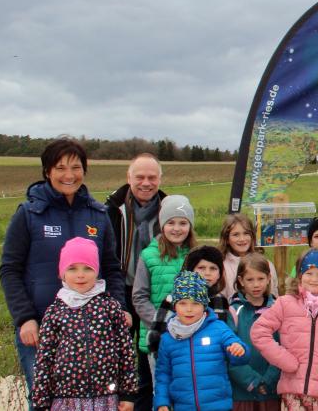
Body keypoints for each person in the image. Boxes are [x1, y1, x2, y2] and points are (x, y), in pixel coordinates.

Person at [0, 138, 127, 393]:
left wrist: (119, 308)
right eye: (60, 168)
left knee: (90, 399)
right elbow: (10, 269)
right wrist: (25, 318)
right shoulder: (28, 214)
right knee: (44, 398)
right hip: (41, 326)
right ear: (47, 171)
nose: (69, 175)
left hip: (94, 328)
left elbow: (112, 268)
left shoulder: (98, 214)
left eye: (76, 167)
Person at [31, 237, 137, 411]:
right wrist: (41, 403)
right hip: (67, 400)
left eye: (88, 268)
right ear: (62, 273)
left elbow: (125, 351)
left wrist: (128, 394)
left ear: (97, 272)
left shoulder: (110, 307)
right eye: (72, 268)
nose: (80, 275)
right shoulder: (54, 312)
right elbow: (44, 359)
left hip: (106, 398)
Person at [250, 250, 318, 411]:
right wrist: (285, 360)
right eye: (309, 273)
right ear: (300, 275)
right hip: (294, 393)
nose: (314, 279)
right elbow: (259, 332)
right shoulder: (285, 303)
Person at [105, 153, 165, 411]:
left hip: (156, 293)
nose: (146, 183)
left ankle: (145, 404)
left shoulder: (168, 209)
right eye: (140, 177)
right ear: (128, 178)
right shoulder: (111, 210)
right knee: (116, 354)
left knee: (148, 355)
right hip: (121, 290)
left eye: (152, 177)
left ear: (160, 179)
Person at [153, 271, 250, 411]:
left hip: (218, 406)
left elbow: (241, 356)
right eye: (183, 303)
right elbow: (163, 374)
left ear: (204, 306)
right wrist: (162, 402)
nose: (189, 309)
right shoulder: (168, 339)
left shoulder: (218, 328)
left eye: (196, 303)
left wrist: (239, 350)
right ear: (175, 306)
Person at [133, 195, 198, 358]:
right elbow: (139, 297)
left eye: (183, 223)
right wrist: (162, 322)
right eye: (171, 223)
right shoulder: (148, 256)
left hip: (191, 334)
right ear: (162, 225)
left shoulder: (196, 255)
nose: (176, 228)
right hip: (159, 336)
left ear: (190, 226)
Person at [228, 253, 282, 411]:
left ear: (269, 278)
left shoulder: (278, 309)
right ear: (241, 281)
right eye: (250, 280)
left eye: (260, 278)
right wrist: (253, 382)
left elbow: (284, 347)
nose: (256, 284)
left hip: (272, 390)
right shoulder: (234, 311)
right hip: (242, 392)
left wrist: (268, 380)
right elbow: (230, 353)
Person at [219, 213, 280, 299]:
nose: (242, 239)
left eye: (246, 233)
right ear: (227, 239)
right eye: (236, 235)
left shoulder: (266, 264)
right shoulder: (222, 266)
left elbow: (273, 295)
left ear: (252, 236)